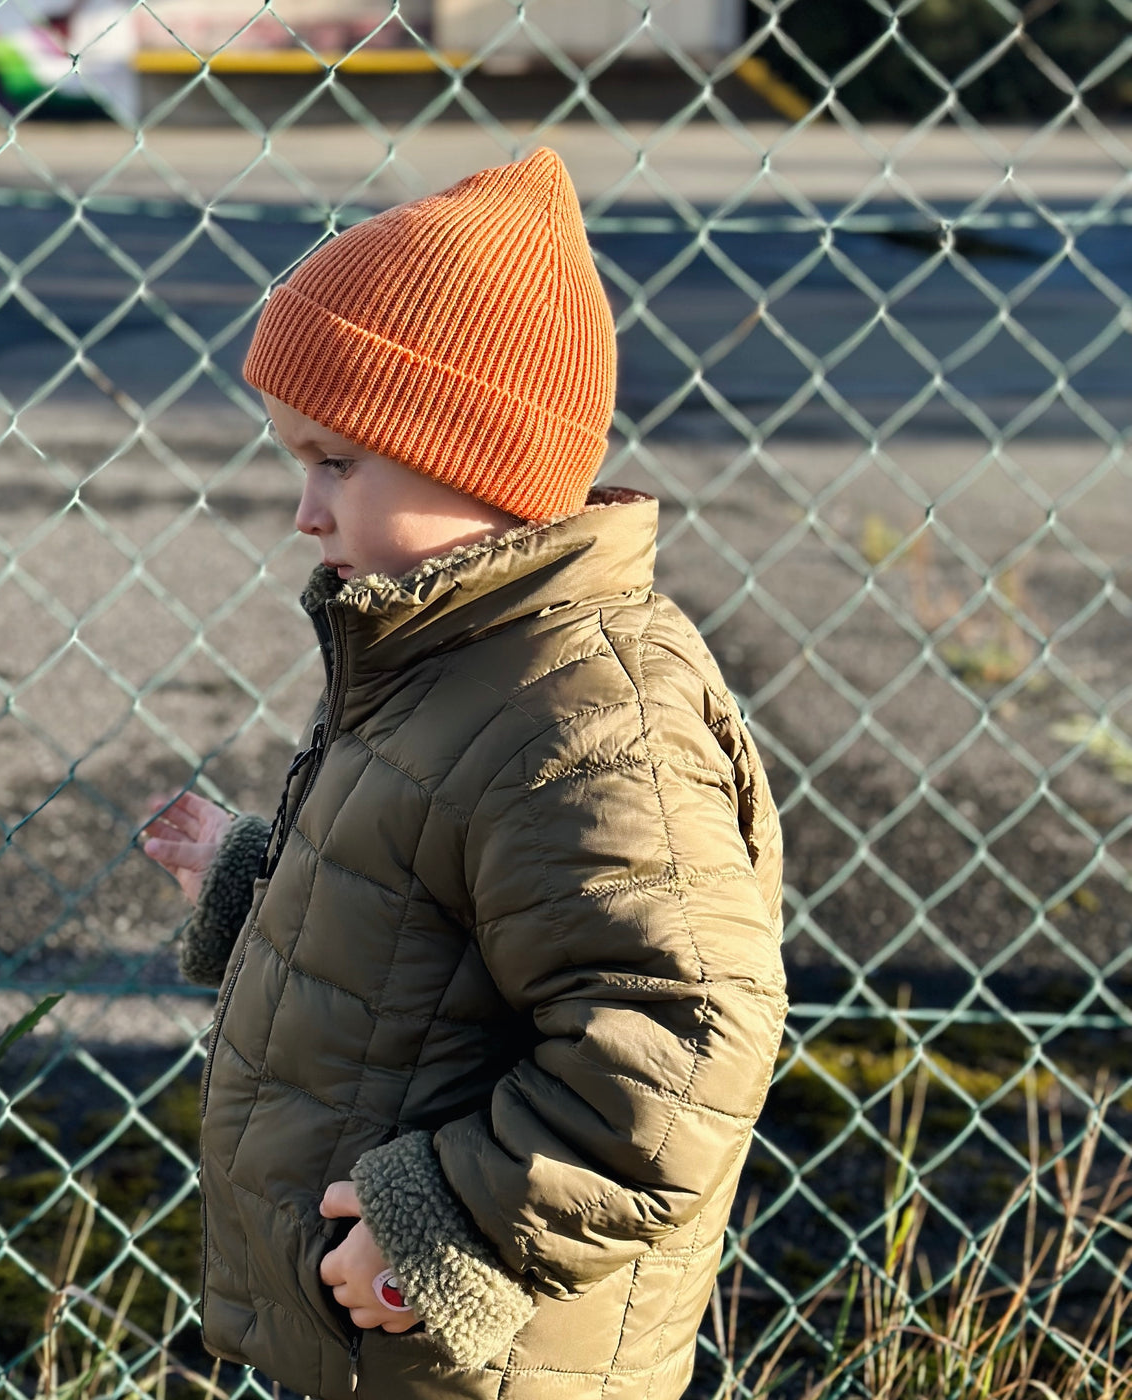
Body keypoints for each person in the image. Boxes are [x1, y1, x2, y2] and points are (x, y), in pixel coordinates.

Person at [140, 148, 787, 1400]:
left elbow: (679, 1036)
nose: (303, 509)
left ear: (473, 460)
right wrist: (255, 884)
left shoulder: (584, 718)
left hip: (484, 1351)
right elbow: (426, 918)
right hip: (386, 1341)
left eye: (335, 461)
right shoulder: (451, 660)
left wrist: (449, 1220)